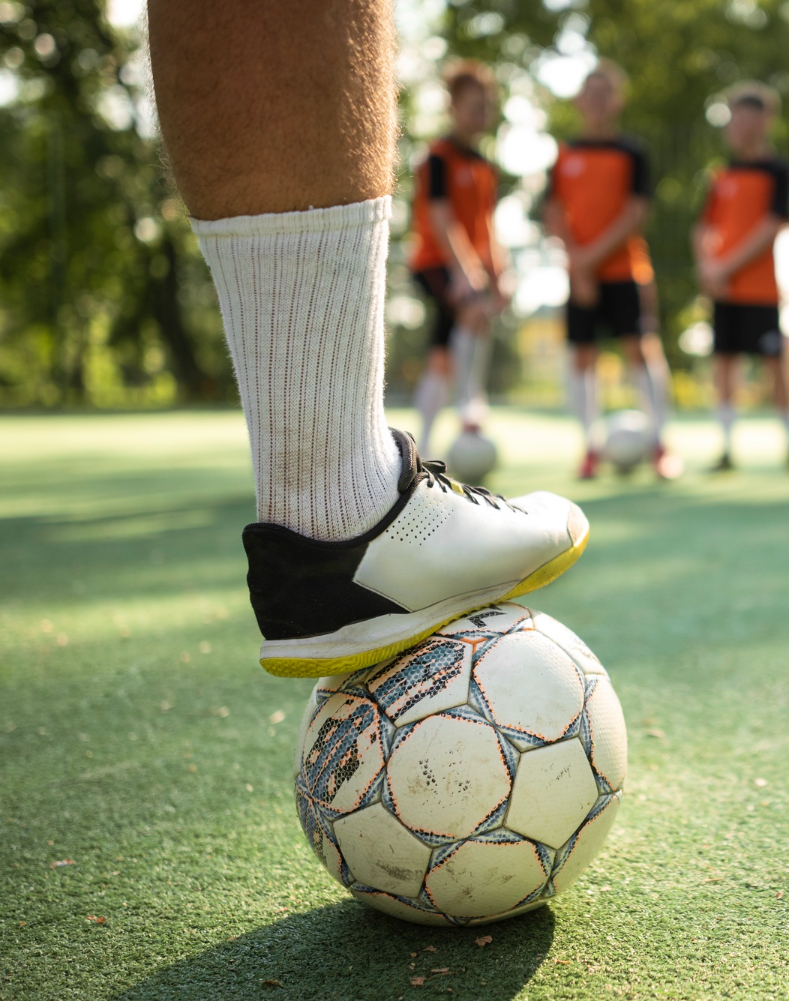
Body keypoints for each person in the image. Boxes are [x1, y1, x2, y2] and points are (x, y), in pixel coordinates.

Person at [148, 0, 588, 678]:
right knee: (446, 356)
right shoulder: (444, 158)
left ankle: (324, 517)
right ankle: (349, 508)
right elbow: (443, 221)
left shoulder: (485, 164)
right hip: (443, 271)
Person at [544, 61, 680, 481]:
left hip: (626, 271)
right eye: (591, 92)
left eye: (607, 93)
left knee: (641, 349)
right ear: (580, 100)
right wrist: (579, 266)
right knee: (582, 356)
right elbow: (553, 212)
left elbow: (634, 214)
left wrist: (588, 260)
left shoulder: (632, 152)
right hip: (581, 275)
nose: (598, 101)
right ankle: (590, 448)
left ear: (617, 102)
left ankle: (661, 445)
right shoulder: (565, 153)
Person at [694, 82, 789, 475]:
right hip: (723, 290)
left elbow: (772, 225)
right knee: (724, 363)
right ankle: (726, 448)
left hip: (761, 290)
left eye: (746, 117)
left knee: (777, 364)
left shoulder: (778, 171)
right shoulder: (720, 173)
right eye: (733, 117)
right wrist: (709, 269)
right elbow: (703, 228)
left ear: (765, 121)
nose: (737, 125)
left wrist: (726, 266)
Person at [407, 61, 509, 456]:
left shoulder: (484, 166)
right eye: (472, 105)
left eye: (486, 105)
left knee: (442, 353)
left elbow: (486, 227)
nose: (480, 113)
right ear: (452, 107)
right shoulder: (436, 157)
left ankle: (423, 448)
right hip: (435, 262)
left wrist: (499, 271)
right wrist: (464, 271)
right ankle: (471, 406)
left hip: (470, 268)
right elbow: (440, 219)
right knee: (473, 314)